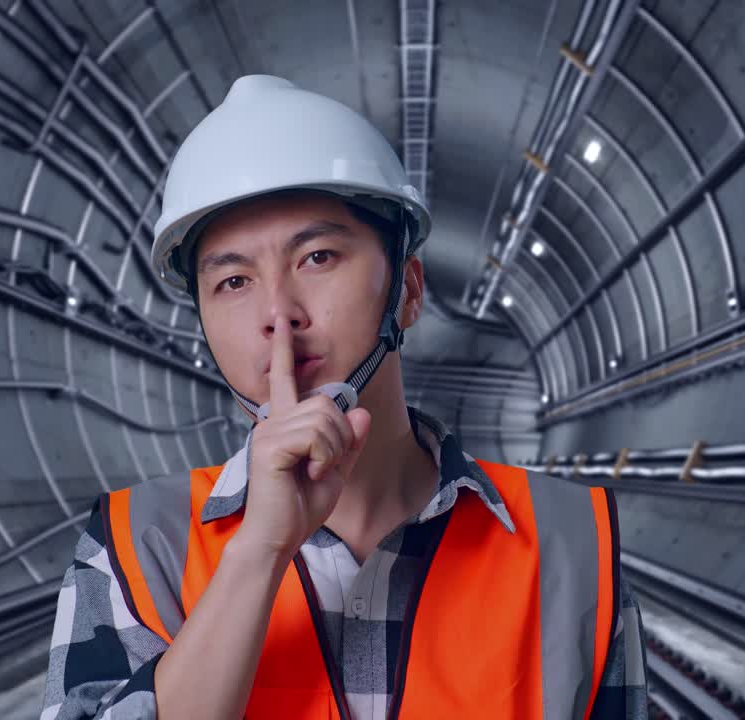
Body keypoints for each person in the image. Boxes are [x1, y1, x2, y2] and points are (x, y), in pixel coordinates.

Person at [41, 75, 647, 720]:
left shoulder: (569, 541)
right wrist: (259, 552)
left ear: (408, 291)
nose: (278, 314)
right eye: (234, 281)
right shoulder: (139, 543)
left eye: (318, 257)